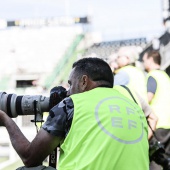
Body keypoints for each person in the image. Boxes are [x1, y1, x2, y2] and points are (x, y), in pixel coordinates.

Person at [0, 57, 150, 170]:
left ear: (84, 81)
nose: (67, 91)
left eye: (70, 84)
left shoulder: (72, 104)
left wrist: (6, 119)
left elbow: (29, 157)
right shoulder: (134, 107)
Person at [143, 50, 170, 170]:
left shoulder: (152, 75)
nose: (143, 63)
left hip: (157, 124)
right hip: (168, 124)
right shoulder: (165, 76)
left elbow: (148, 97)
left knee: (155, 160)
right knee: (166, 161)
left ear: (149, 60)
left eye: (144, 60)